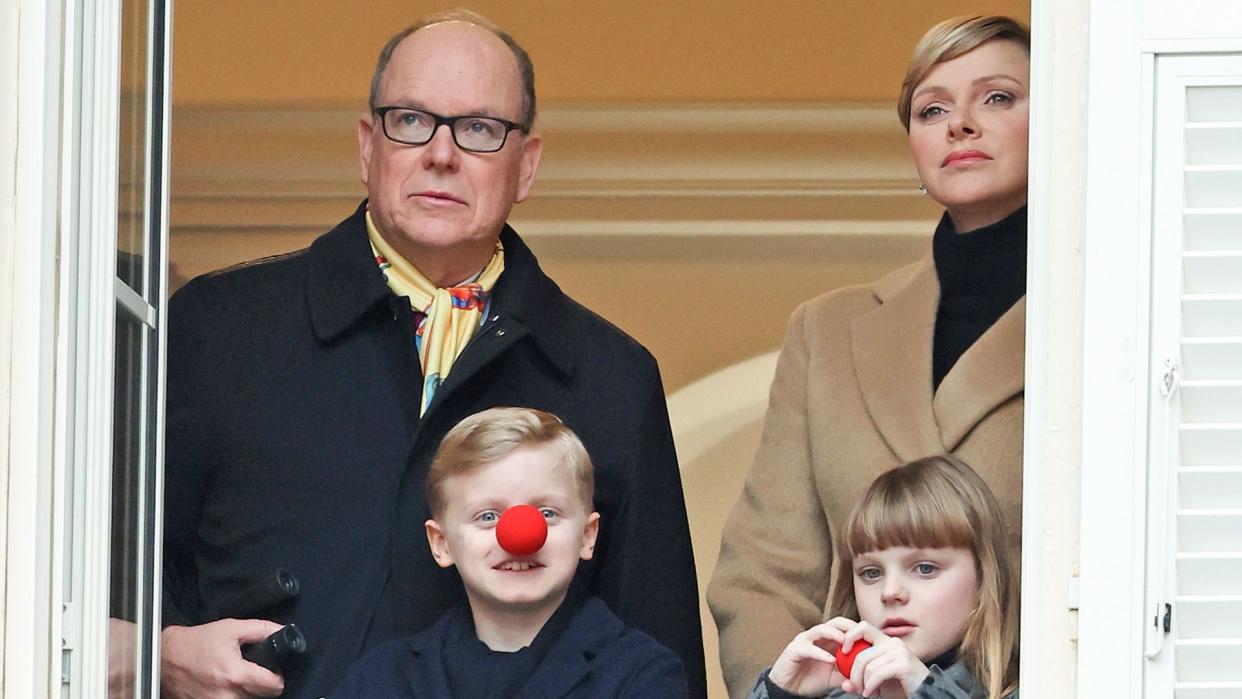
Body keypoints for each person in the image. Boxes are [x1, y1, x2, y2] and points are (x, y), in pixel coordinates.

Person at [159, 10, 704, 698]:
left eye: (479, 129)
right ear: (367, 146)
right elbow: (103, 566)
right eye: (411, 120)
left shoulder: (612, 378)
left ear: (526, 166)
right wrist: (160, 652)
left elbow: (660, 650)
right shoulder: (222, 326)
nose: (441, 154)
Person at [708, 15, 1030, 697]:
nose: (961, 124)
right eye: (932, 108)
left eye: (997, 97)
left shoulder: (1111, 326)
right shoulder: (826, 330)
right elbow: (762, 571)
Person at [332, 407, 689, 698]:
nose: (519, 535)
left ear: (587, 535)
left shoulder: (641, 675)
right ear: (441, 544)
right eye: (488, 517)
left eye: (546, 514)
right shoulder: (380, 680)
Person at [747, 455, 1018, 699]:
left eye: (925, 568)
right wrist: (778, 691)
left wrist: (926, 691)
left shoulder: (1042, 684)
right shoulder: (839, 690)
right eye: (872, 572)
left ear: (984, 577)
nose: (889, 592)